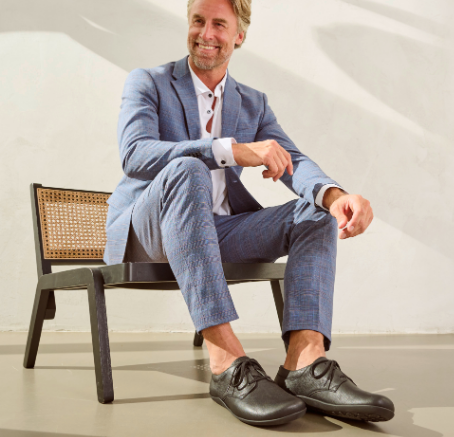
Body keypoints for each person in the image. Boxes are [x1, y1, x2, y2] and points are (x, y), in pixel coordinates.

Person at [104, 0, 394, 426]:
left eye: (219, 24)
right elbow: (135, 153)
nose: (206, 33)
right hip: (150, 233)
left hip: (218, 233)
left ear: (239, 35)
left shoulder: (252, 103)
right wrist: (226, 150)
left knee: (312, 213)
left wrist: (334, 196)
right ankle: (226, 361)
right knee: (187, 168)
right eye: (197, 21)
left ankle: (304, 363)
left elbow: (291, 158)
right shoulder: (148, 82)